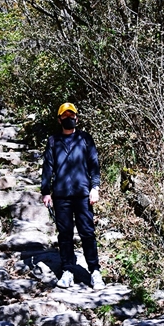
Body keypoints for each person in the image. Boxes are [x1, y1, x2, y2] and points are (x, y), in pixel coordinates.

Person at [41, 102, 104, 290]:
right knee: (65, 235)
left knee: (87, 233)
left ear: (76, 117)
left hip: (83, 194)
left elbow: (94, 164)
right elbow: (48, 167)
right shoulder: (53, 141)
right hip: (61, 196)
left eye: (72, 115)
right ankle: (67, 270)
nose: (69, 118)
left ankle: (95, 271)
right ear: (60, 119)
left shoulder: (85, 139)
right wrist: (45, 191)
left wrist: (95, 187)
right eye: (65, 116)